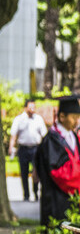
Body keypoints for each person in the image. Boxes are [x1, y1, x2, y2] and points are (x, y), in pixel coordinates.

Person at [35, 94, 80, 225]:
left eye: (78, 117)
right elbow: (61, 174)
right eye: (74, 117)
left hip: (71, 200)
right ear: (62, 117)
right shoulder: (51, 140)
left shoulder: (72, 136)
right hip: (56, 200)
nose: (77, 121)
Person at [9, 98, 48, 201]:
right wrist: (11, 147)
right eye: (30, 107)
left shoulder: (38, 119)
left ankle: (35, 193)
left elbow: (44, 135)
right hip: (23, 149)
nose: (32, 109)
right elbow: (13, 135)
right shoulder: (19, 119)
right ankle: (26, 194)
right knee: (24, 172)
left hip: (36, 148)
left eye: (34, 107)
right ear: (25, 107)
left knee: (36, 171)